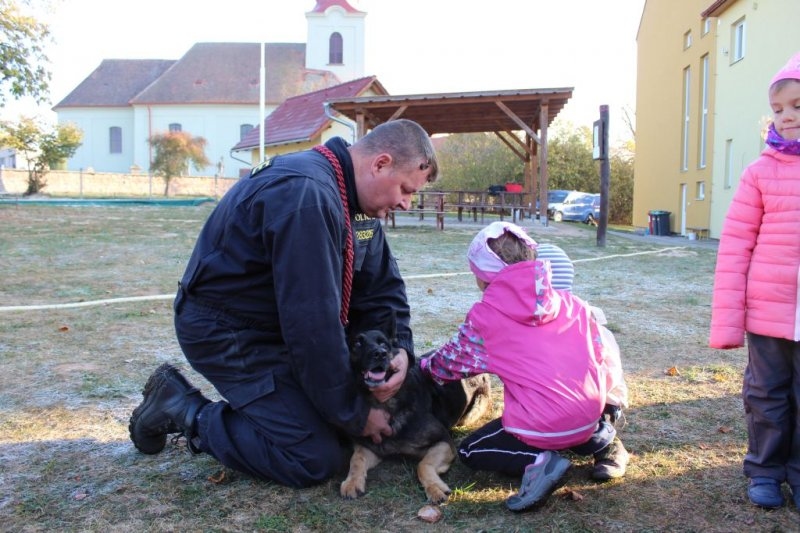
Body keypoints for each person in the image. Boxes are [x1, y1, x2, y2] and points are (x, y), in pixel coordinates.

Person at [129, 119, 439, 488]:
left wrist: (400, 349)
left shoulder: (356, 205)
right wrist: (355, 415)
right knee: (312, 456)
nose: (405, 203)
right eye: (405, 189)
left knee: (336, 422)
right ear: (380, 164)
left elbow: (383, 290)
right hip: (229, 332)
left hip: (278, 327)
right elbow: (311, 326)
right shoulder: (305, 195)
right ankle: (183, 408)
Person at [419, 221, 629, 512]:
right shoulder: (572, 303)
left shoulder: (485, 319)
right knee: (570, 417)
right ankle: (603, 440)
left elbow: (448, 366)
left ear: (482, 276)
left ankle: (541, 462)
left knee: (471, 450)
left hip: (541, 426)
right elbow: (599, 354)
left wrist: (423, 365)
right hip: (590, 414)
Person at [709, 51, 800, 511]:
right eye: (779, 108)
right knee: (767, 396)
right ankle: (764, 470)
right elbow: (735, 249)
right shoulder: (760, 172)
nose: (786, 117)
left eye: (798, 106)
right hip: (768, 314)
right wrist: (728, 323)